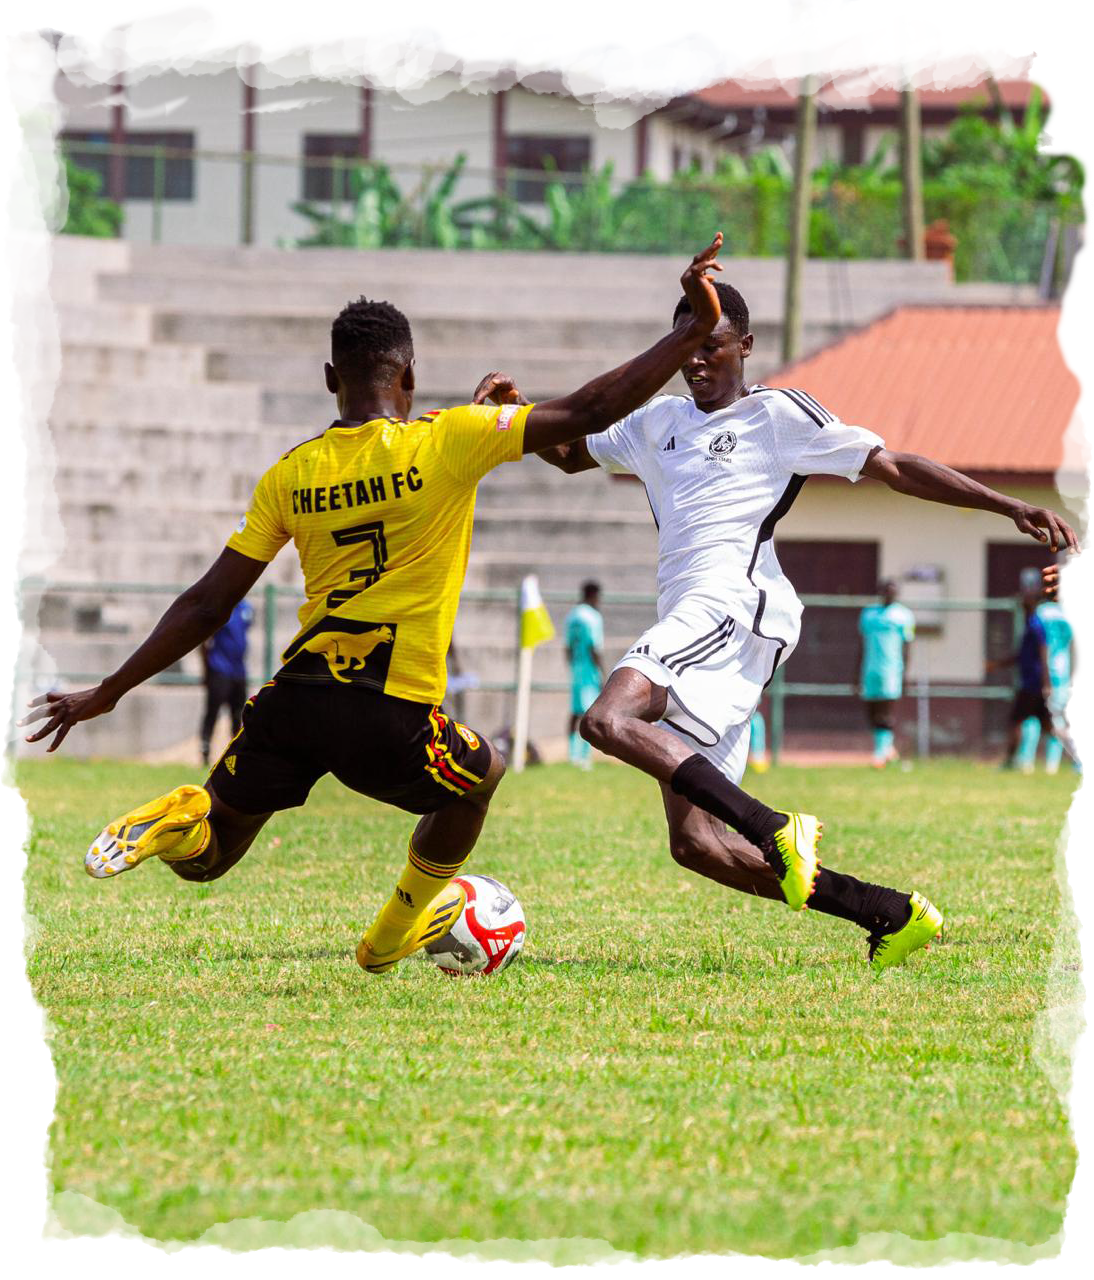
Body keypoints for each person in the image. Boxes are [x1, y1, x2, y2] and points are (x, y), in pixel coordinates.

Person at [21, 234, 729, 975]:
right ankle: (391, 932)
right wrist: (687, 331)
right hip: (386, 704)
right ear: (411, 375)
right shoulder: (450, 439)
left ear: (332, 377)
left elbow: (206, 604)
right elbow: (592, 407)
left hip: (291, 699)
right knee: (480, 775)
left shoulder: (290, 475)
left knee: (209, 860)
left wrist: (108, 691)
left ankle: (185, 818)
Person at [473, 280, 1078, 973]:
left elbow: (894, 466)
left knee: (606, 718)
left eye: (711, 346)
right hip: (692, 615)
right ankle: (887, 912)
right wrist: (516, 413)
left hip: (734, 605)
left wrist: (1007, 507)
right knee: (695, 843)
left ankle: (773, 825)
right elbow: (571, 452)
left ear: (746, 348)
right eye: (686, 350)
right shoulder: (654, 423)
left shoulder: (778, 416)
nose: (696, 363)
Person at [857, 580, 915, 768]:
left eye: (893, 592)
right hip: (870, 668)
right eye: (886, 591)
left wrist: (906, 673)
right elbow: (861, 645)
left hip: (892, 669)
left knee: (885, 711)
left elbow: (907, 647)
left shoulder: (904, 615)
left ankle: (880, 752)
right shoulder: (868, 613)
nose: (889, 595)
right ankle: (887, 748)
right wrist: (856, 673)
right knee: (872, 711)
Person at [199, 598, 253, 767]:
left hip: (239, 671)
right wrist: (206, 670)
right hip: (219, 668)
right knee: (212, 711)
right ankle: (205, 752)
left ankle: (235, 756)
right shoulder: (222, 606)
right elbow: (204, 641)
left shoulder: (246, 608)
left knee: (239, 714)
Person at [564, 581, 605, 768]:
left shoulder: (572, 615)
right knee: (589, 713)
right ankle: (584, 757)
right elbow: (594, 646)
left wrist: (572, 666)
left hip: (577, 668)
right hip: (589, 670)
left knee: (575, 711)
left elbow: (568, 647)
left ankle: (572, 754)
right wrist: (602, 672)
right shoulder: (593, 617)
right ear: (593, 595)